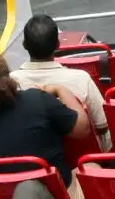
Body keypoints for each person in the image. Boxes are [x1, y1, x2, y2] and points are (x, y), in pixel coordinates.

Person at [0, 49, 91, 199]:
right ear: (7, 74)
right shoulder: (37, 100)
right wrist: (61, 90)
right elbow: (83, 129)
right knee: (91, 167)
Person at [12, 14, 109, 148]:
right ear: (58, 45)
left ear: (24, 45)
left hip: (38, 161)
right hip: (84, 163)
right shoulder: (81, 79)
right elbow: (103, 125)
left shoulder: (11, 83)